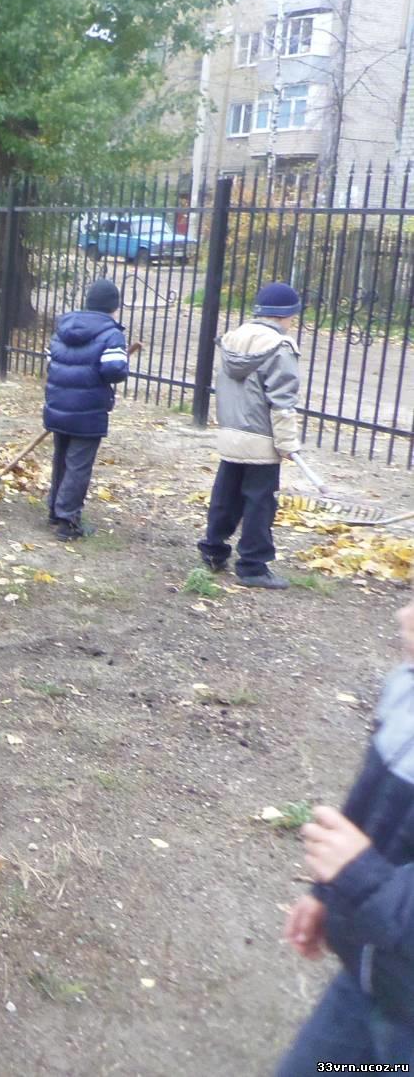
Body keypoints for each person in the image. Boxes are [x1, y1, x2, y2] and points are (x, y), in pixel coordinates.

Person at [276, 595, 414, 1073]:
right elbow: (373, 809)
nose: (404, 616)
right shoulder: (406, 689)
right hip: (371, 976)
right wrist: (331, 890)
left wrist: (365, 882)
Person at [198, 281, 304, 590]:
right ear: (283, 316)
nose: (292, 323)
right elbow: (282, 401)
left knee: (225, 494)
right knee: (260, 502)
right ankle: (253, 566)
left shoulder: (233, 340)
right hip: (261, 438)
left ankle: (213, 550)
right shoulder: (280, 348)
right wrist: (286, 444)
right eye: (292, 316)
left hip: (231, 433)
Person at [43, 278, 131, 541]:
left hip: (58, 405)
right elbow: (114, 370)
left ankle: (54, 509)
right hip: (88, 411)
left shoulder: (63, 328)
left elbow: (50, 360)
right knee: (79, 465)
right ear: (113, 307)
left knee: (61, 459)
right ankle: (68, 521)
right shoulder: (111, 334)